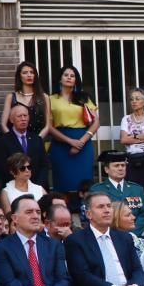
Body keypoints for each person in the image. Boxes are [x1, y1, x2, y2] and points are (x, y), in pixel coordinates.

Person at [48, 65, 99, 193]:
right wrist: (70, 142)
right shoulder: (51, 99)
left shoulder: (84, 98)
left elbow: (96, 122)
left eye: (72, 76)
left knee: (84, 181)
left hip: (83, 141)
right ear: (60, 79)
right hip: (61, 142)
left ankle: (84, 208)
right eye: (66, 75)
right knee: (63, 180)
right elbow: (49, 126)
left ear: (76, 80)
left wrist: (81, 142)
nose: (69, 78)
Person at [89, 150, 144, 236]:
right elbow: (96, 215)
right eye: (116, 166)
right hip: (109, 235)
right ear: (106, 169)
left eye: (123, 165)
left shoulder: (137, 189)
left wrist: (133, 232)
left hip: (134, 234)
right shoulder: (97, 190)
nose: (121, 168)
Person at [0, 103, 50, 189]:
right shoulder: (3, 141)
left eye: (25, 116)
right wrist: (19, 186)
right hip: (13, 187)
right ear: (11, 120)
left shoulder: (37, 139)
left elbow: (44, 165)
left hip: (37, 186)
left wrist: (36, 186)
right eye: (19, 116)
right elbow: (2, 168)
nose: (23, 119)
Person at [1, 61, 52, 139]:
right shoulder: (11, 97)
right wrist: (14, 141)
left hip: (38, 141)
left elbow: (48, 125)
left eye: (32, 72)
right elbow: (3, 125)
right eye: (25, 73)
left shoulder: (44, 97)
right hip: (16, 143)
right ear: (19, 76)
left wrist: (36, 142)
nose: (29, 75)